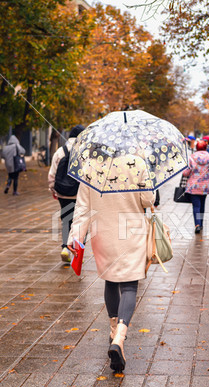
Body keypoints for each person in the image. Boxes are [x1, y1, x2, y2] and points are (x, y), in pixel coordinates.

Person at [67, 156, 155, 372]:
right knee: (129, 285)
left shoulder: (90, 165)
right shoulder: (139, 163)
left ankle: (113, 329)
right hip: (131, 231)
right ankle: (120, 337)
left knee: (110, 280)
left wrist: (75, 236)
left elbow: (82, 206)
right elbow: (148, 200)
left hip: (102, 233)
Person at [48, 125, 85, 263]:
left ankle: (64, 247)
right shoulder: (85, 152)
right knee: (80, 222)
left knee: (66, 220)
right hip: (79, 194)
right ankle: (78, 251)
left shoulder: (60, 151)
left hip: (63, 193)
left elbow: (52, 174)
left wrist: (53, 190)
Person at [183, 140, 209, 234]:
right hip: (205, 186)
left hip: (193, 186)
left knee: (196, 205)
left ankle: (197, 225)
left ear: (196, 148)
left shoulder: (191, 158)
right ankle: (201, 224)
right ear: (206, 148)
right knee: (202, 204)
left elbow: (185, 173)